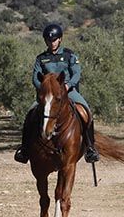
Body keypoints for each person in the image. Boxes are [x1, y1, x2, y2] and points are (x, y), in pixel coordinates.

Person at [15, 22, 99, 164]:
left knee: (86, 112)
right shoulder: (41, 58)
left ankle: (90, 148)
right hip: (47, 95)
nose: (51, 43)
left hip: (67, 92)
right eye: (48, 40)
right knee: (30, 114)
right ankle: (24, 150)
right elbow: (36, 77)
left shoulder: (69, 55)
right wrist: (43, 89)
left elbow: (76, 72)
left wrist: (68, 85)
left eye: (54, 40)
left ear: (60, 39)